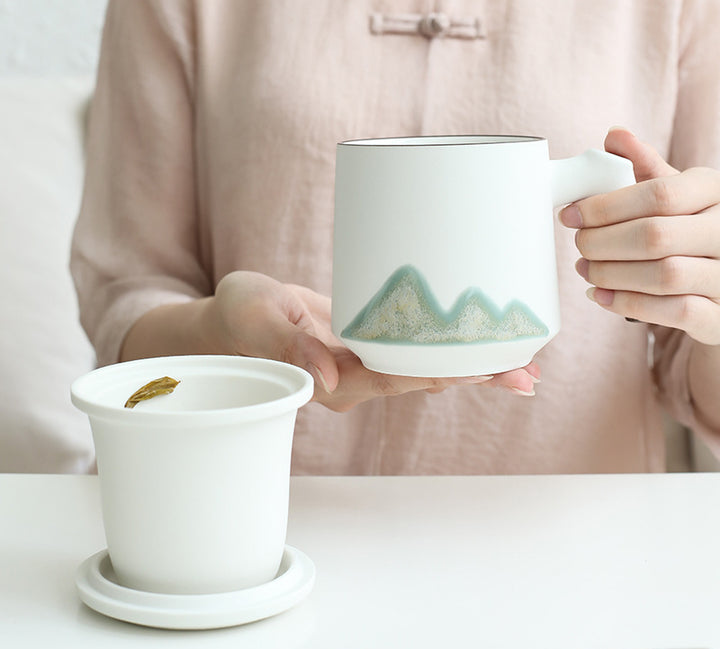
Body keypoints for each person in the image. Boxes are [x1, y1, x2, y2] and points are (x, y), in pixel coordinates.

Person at [71, 0, 720, 475]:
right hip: (241, 512)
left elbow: (690, 359)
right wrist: (220, 339)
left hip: (568, 534)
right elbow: (126, 288)